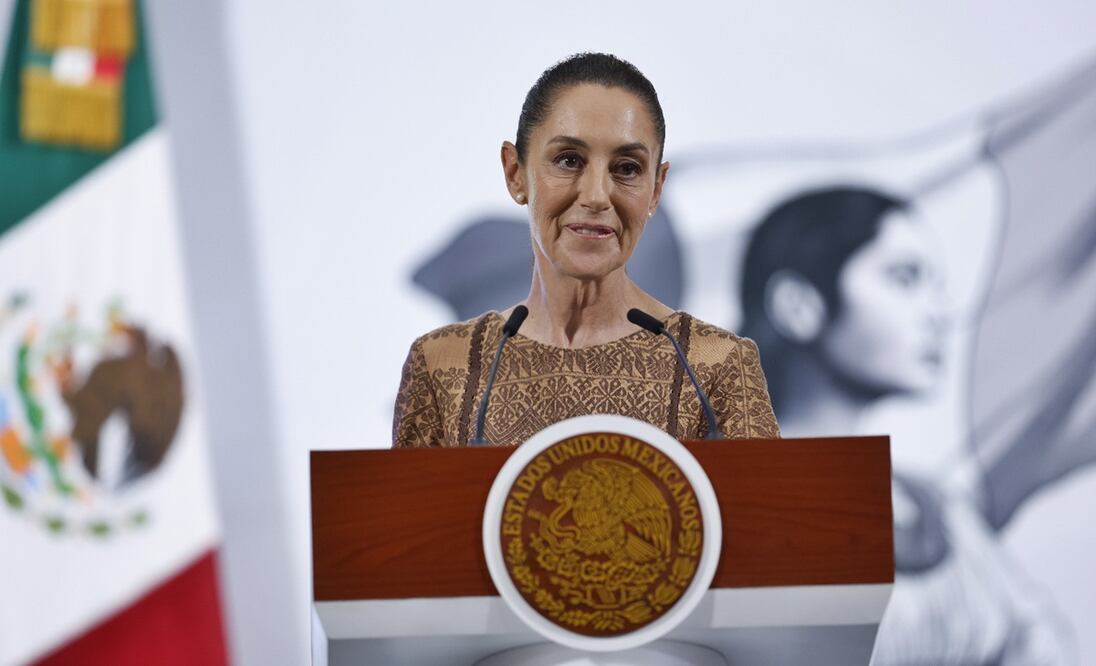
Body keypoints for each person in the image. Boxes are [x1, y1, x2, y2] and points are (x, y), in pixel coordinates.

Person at [740, 186, 1073, 665]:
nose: (940, 312)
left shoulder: (941, 509)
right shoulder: (707, 502)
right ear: (799, 304)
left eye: (935, 284)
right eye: (904, 278)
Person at [392, 53, 779, 448]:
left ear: (656, 189)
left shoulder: (714, 364)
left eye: (627, 168)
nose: (596, 196)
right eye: (569, 160)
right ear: (515, 174)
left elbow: (766, 509)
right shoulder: (442, 365)